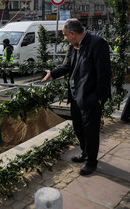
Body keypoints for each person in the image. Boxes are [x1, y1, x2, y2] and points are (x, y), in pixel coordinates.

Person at [41, 18, 111, 176]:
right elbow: (68, 66)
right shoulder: (74, 46)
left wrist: (100, 98)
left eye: (65, 35)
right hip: (75, 96)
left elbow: (104, 73)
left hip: (90, 97)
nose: (64, 38)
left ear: (72, 33)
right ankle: (85, 153)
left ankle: (91, 162)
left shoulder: (98, 43)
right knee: (79, 128)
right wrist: (52, 73)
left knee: (91, 131)